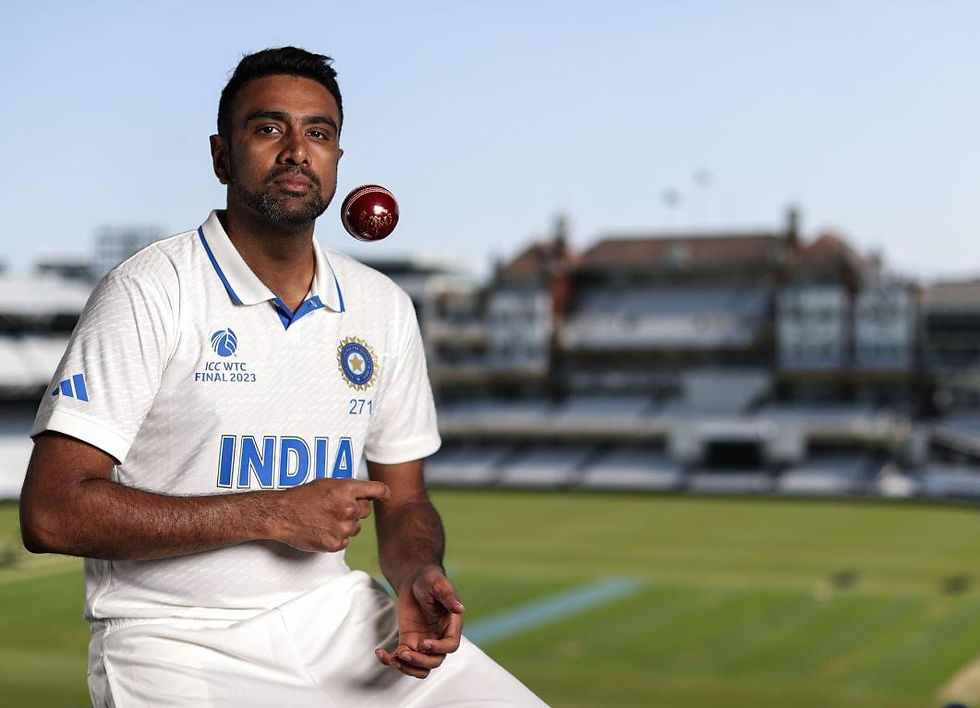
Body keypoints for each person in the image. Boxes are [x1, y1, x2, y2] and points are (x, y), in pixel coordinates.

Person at [20, 46, 547, 707]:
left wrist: (417, 573)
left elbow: (404, 498)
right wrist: (272, 512)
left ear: (336, 162)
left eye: (318, 133)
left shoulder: (382, 306)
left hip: (338, 618)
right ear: (221, 156)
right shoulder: (148, 290)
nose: (297, 150)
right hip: (174, 640)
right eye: (269, 128)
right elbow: (50, 513)